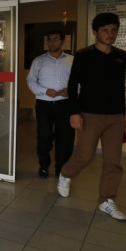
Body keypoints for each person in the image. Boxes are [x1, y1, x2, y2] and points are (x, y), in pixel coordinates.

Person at [57, 12, 126, 221]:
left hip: (115, 117)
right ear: (95, 32)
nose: (110, 34)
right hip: (89, 114)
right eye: (105, 30)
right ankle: (66, 174)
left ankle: (106, 200)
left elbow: (119, 88)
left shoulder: (121, 56)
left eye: (113, 30)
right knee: (85, 155)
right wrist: (73, 112)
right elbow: (73, 84)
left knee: (113, 161)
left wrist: (123, 116)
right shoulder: (84, 55)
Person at [26, 29, 74, 178]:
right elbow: (31, 81)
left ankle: (61, 169)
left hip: (64, 105)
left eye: (55, 39)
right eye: (49, 39)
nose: (51, 42)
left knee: (64, 139)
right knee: (44, 137)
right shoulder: (38, 61)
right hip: (44, 104)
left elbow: (80, 81)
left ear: (63, 41)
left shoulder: (72, 60)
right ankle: (44, 165)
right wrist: (44, 91)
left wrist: (71, 90)